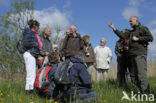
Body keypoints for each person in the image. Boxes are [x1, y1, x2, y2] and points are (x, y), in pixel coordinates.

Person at [109, 16, 153, 93]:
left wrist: (138, 39)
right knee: (135, 76)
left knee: (141, 74)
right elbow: (122, 35)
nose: (129, 23)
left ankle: (146, 93)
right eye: (129, 21)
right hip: (132, 56)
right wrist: (114, 28)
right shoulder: (131, 32)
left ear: (136, 20)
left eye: (131, 21)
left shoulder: (142, 28)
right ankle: (141, 92)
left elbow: (150, 38)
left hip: (140, 54)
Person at [23, 19, 42, 94]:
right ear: (35, 26)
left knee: (32, 73)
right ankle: (29, 91)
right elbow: (25, 43)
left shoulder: (33, 33)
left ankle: (30, 90)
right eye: (38, 27)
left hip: (32, 54)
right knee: (31, 73)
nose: (38, 28)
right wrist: (35, 44)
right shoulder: (30, 32)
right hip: (29, 53)